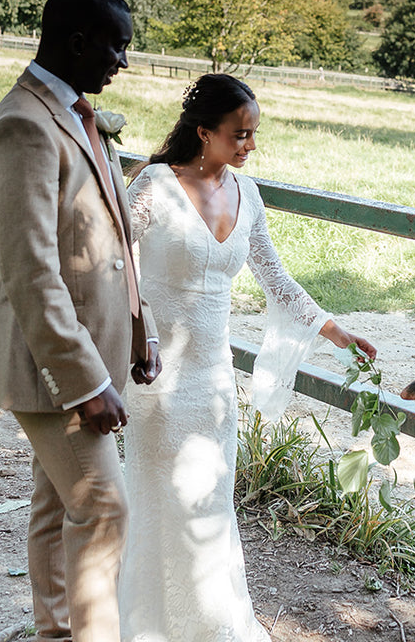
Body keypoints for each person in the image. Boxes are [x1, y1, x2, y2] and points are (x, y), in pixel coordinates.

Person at [119, 73, 376, 642]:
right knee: (171, 505)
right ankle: (151, 626)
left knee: (211, 502)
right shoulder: (153, 188)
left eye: (253, 134)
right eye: (239, 134)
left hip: (214, 384)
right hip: (157, 375)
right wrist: (143, 336)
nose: (249, 146)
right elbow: (119, 267)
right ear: (204, 131)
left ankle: (212, 626)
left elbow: (274, 277)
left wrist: (335, 331)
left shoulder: (247, 195)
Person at [0, 0, 161, 642]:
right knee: (104, 508)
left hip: (96, 351)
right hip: (52, 365)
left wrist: (144, 333)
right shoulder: (22, 126)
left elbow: (110, 237)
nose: (123, 61)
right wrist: (87, 384)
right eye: (116, 45)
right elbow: (31, 275)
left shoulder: (78, 116)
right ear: (77, 40)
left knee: (60, 509)